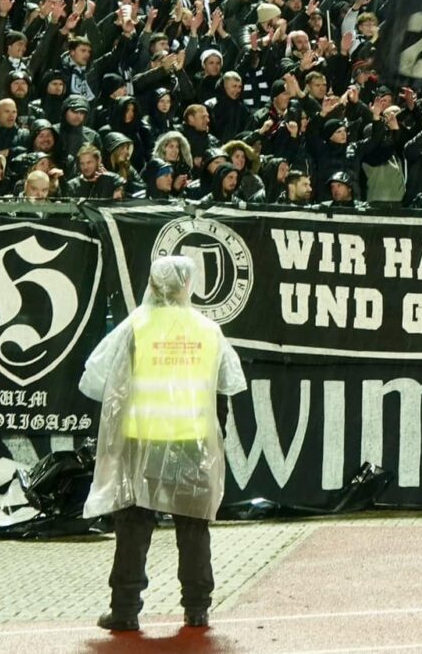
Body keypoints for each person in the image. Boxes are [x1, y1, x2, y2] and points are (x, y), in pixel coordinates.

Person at [78, 255, 247, 632]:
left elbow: (101, 381)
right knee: (193, 527)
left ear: (153, 284)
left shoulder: (136, 327)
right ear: (190, 284)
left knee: (133, 528)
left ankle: (124, 609)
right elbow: (225, 390)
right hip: (191, 441)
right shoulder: (207, 330)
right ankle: (197, 608)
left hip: (143, 440)